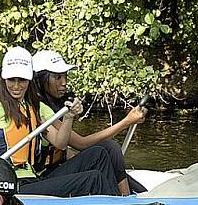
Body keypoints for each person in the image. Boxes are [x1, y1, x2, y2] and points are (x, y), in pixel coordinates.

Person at [0, 47, 119, 197]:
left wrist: (68, 118)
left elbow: (60, 144)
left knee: (99, 154)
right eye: (11, 80)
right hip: (8, 185)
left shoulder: (36, 107)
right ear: (4, 79)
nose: (16, 86)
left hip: (33, 179)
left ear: (29, 79)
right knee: (93, 178)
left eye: (22, 80)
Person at [32, 50, 147, 195]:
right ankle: (125, 200)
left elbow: (67, 150)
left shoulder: (56, 103)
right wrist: (126, 122)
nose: (64, 83)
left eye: (65, 76)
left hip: (58, 167)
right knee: (109, 148)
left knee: (108, 155)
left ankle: (141, 195)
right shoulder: (41, 109)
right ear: (40, 80)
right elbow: (81, 143)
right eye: (57, 77)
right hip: (45, 176)